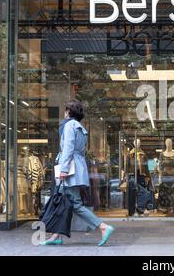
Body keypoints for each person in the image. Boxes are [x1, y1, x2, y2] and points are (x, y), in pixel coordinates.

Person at [40, 99, 114, 246]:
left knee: (74, 203)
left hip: (69, 169)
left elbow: (68, 149)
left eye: (65, 110)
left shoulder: (68, 126)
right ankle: (56, 236)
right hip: (77, 167)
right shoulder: (80, 127)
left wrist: (63, 170)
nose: (64, 113)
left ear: (68, 112)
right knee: (64, 201)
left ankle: (103, 226)